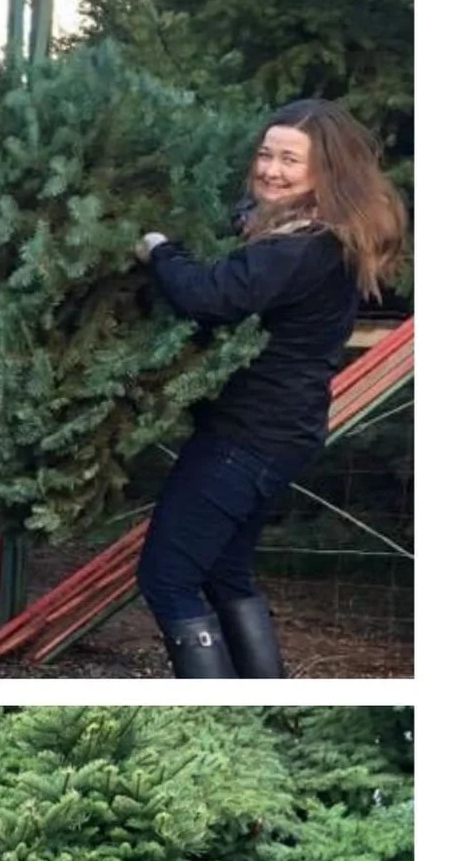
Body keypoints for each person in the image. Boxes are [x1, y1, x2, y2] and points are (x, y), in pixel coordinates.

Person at [134, 99, 406, 678]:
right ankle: (264, 691)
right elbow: (246, 240)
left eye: (291, 160)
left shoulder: (300, 248)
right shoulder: (311, 236)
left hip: (247, 439)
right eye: (266, 154)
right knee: (224, 572)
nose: (271, 169)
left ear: (325, 174)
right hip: (282, 433)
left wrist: (160, 249)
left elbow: (208, 295)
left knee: (168, 578)